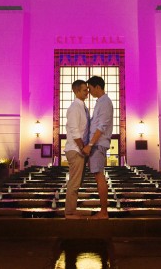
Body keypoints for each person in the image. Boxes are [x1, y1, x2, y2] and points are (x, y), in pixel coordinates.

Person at [83, 75, 112, 218]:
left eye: (90, 88)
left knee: (99, 175)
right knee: (97, 175)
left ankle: (104, 211)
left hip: (98, 144)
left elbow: (101, 127)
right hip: (97, 144)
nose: (89, 92)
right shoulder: (100, 102)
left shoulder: (105, 102)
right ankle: (103, 211)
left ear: (98, 87)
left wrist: (90, 144)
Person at [63, 79, 91, 218]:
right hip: (75, 149)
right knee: (74, 182)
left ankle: (72, 209)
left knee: (77, 181)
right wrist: (83, 147)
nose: (88, 92)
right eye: (85, 89)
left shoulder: (82, 107)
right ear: (76, 91)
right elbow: (74, 131)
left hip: (79, 150)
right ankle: (69, 211)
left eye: (87, 89)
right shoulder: (74, 108)